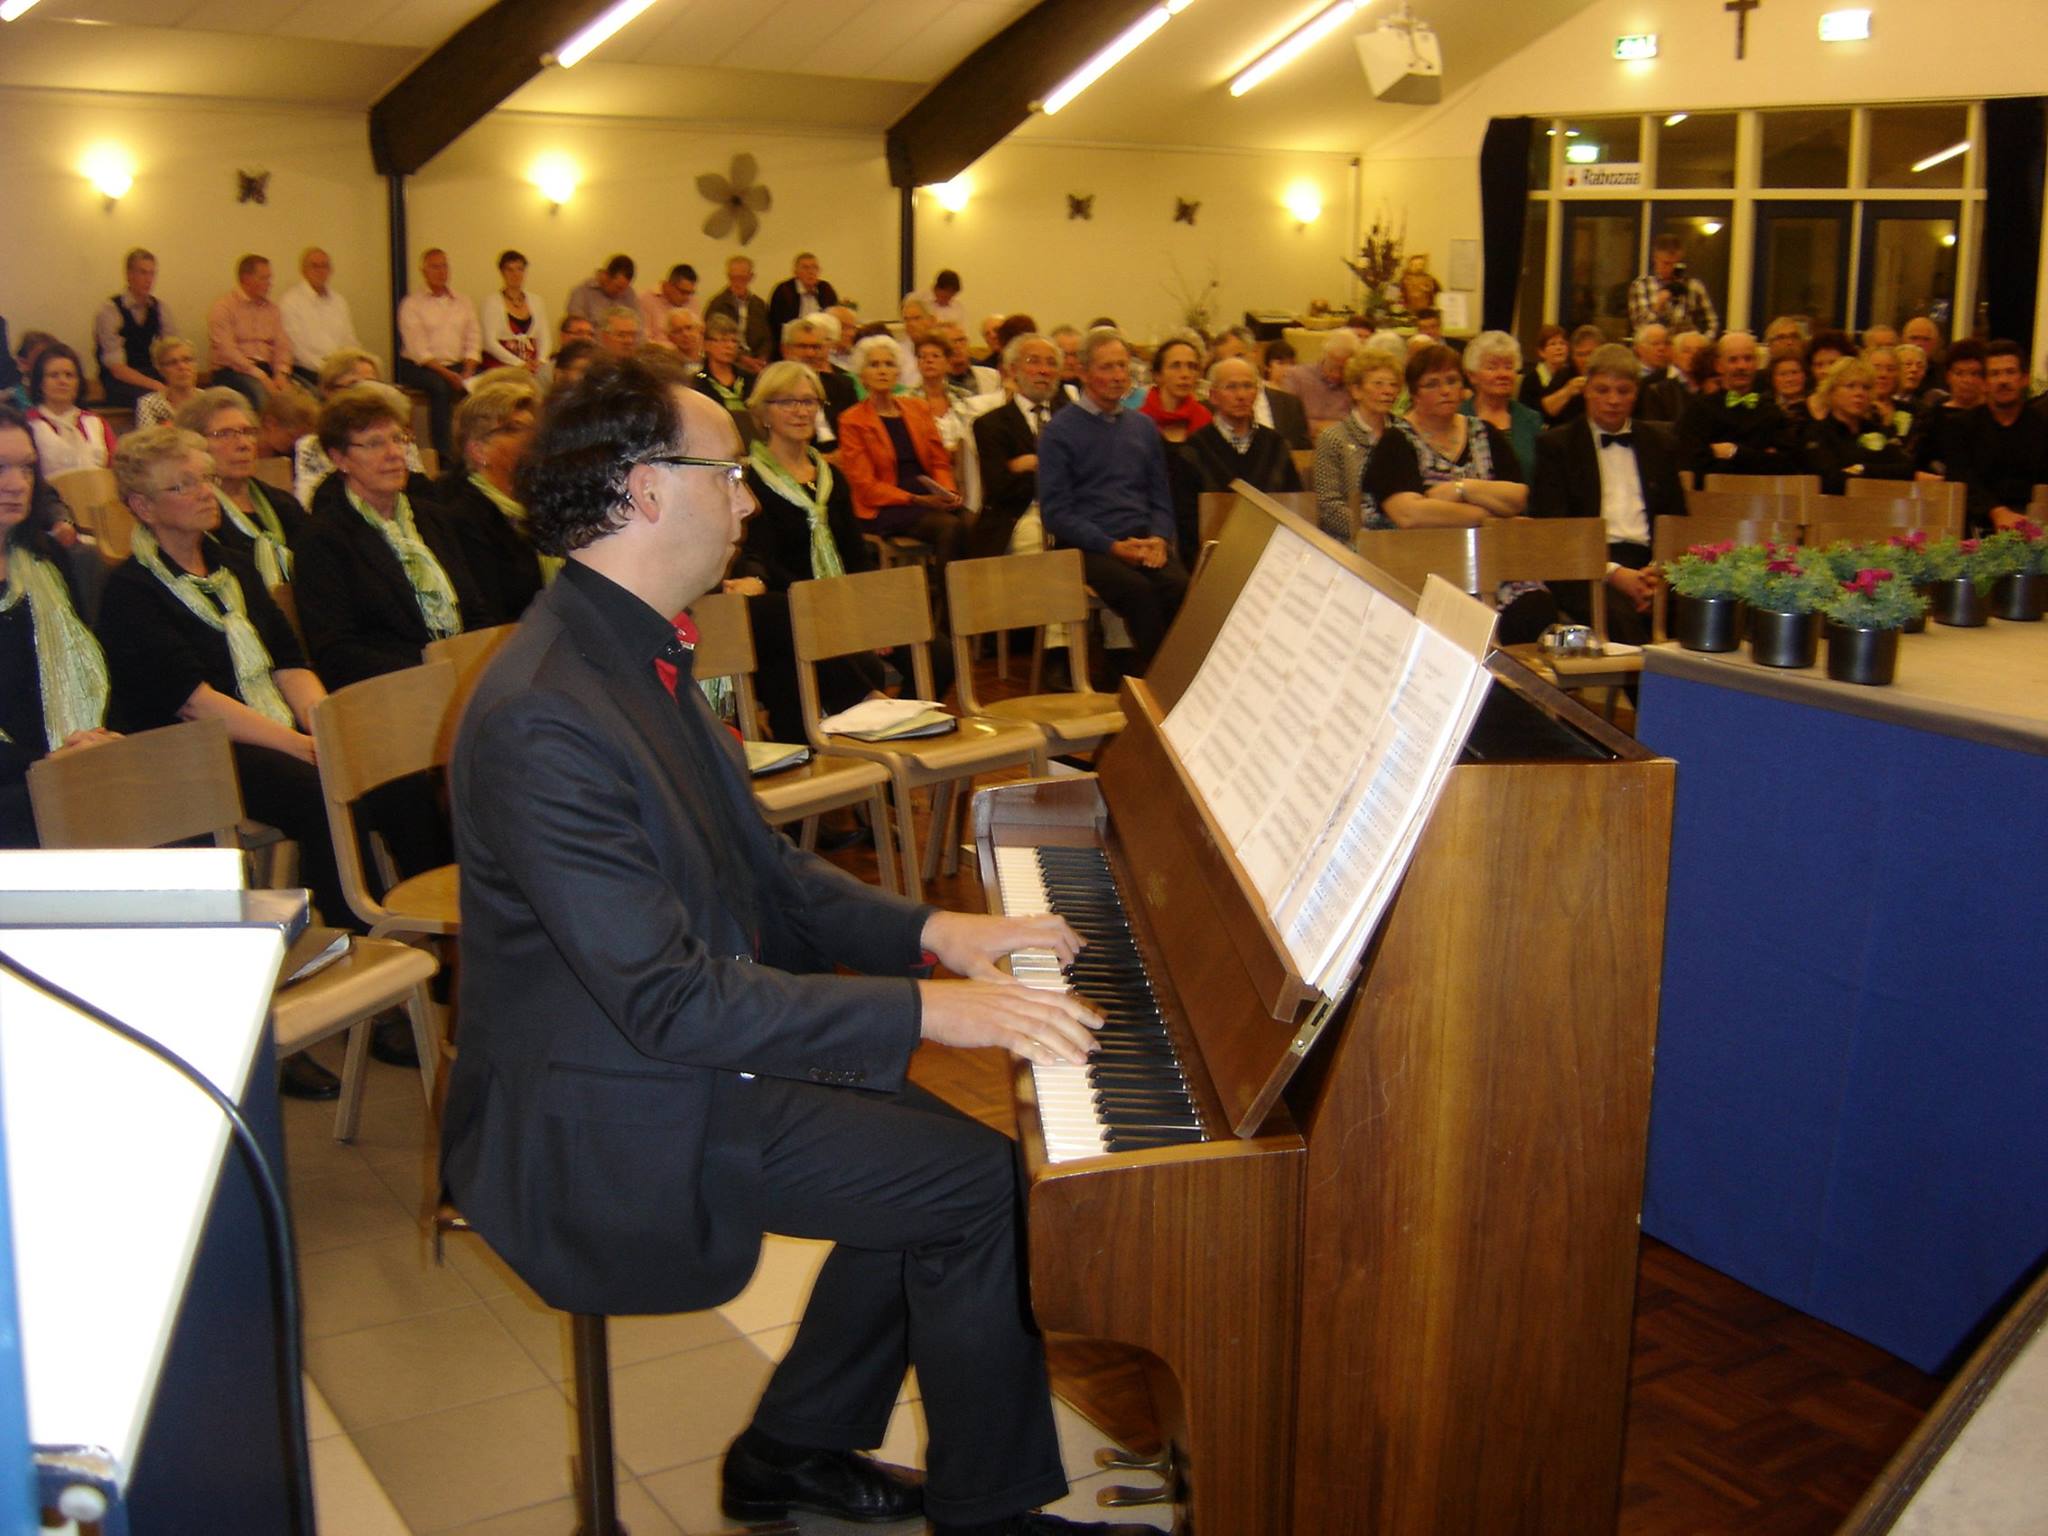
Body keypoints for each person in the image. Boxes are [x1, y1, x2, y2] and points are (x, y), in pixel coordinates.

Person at [438, 356, 1139, 1536]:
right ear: (645, 489)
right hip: (606, 1107)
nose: (747, 501)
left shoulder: (631, 647)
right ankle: (983, 1513)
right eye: (727, 475)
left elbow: (766, 872)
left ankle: (791, 1454)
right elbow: (668, 1003)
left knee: (945, 1165)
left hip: (676, 1053)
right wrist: (930, 1010)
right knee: (976, 1186)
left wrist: (940, 933)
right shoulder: (546, 711)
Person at [293, 385, 486, 689]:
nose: (394, 454)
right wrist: (434, 673)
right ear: (339, 458)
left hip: (460, 675)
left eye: (398, 439)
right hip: (390, 690)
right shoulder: (323, 538)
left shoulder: (434, 518)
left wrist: (473, 663)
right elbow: (337, 651)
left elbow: (475, 610)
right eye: (374, 443)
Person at [735, 359, 884, 742]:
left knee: (938, 654)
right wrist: (818, 604)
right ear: (763, 412)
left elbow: (855, 553)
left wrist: (871, 613)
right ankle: (864, 709)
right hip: (786, 606)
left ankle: (882, 745)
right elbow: (760, 558)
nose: (800, 411)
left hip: (838, 601)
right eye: (787, 402)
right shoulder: (750, 478)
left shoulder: (832, 476)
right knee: (816, 667)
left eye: (809, 401)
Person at [1037, 327, 1187, 673]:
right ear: (1084, 372)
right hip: (1087, 545)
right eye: (1107, 367)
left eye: (1123, 366)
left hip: (1141, 538)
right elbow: (1056, 513)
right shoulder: (1060, 431)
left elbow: (1160, 496)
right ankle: (1160, 682)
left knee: (1179, 585)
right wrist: (1111, 546)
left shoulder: (1143, 427)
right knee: (1138, 591)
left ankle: (1176, 677)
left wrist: (1159, 538)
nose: (1119, 376)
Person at [0, 404, 114, 849]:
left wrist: (97, 740)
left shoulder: (48, 560)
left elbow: (91, 668)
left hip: (63, 765)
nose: (17, 484)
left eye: (27, 468)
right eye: (0, 468)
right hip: (19, 777)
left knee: (173, 798)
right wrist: (50, 763)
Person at [1528, 343, 1685, 648]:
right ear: (1586, 390)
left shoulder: (1660, 443)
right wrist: (1614, 573)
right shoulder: (1557, 446)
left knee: (1700, 609)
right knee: (1619, 619)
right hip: (1585, 564)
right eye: (1602, 390)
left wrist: (1656, 572)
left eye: (1623, 391)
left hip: (1650, 563)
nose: (1613, 400)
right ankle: (1645, 682)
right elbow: (1553, 529)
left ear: (1636, 393)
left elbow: (1676, 518)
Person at [1361, 344, 1528, 533]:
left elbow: (1518, 496)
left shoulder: (1484, 432)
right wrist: (1490, 516)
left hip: (1486, 547)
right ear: (1414, 394)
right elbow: (1410, 515)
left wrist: (1462, 488)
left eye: (1452, 381)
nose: (1445, 390)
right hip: (1414, 549)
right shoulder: (1396, 440)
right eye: (1432, 384)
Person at [835, 335, 964, 569]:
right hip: (883, 505)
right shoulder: (852, 420)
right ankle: (948, 592)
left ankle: (968, 588)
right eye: (874, 365)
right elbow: (865, 486)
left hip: (926, 493)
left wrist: (948, 492)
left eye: (889, 364)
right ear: (862, 376)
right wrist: (916, 499)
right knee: (950, 527)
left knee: (975, 522)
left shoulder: (918, 408)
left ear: (898, 373)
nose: (883, 371)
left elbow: (940, 461)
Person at [175, 388, 307, 590]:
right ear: (194, 445)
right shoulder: (197, 516)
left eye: (248, 432)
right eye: (224, 434)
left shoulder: (284, 505)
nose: (243, 444)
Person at [969, 332, 1069, 560]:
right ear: (1013, 369)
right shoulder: (991, 424)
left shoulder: (1071, 419)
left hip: (1069, 510)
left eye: (1051, 363)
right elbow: (1000, 488)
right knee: (1034, 543)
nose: (1044, 370)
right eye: (1034, 361)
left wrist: (1030, 465)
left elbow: (1085, 474)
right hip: (1019, 514)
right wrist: (1055, 467)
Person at [291, 351, 427, 505]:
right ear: (328, 392)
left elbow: (422, 493)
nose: (366, 392)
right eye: (354, 385)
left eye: (372, 384)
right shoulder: (312, 446)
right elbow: (308, 503)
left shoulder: (401, 439)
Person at [1943, 340, 2048, 533]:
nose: (2003, 380)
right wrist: (1997, 512)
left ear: (2024, 379)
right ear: (1984, 384)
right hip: (1975, 527)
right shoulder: (1960, 426)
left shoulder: (2042, 426)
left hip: (2035, 527)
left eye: (2010, 372)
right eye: (1995, 374)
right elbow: (1960, 479)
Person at [396, 248, 482, 461]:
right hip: (421, 366)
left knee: (479, 387)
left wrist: (468, 370)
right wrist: (447, 374)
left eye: (444, 266)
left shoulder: (463, 301)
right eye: (435, 267)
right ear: (423, 271)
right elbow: (419, 350)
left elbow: (474, 337)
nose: (441, 271)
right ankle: (444, 458)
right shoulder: (412, 304)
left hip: (457, 364)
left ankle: (474, 451)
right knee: (440, 388)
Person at [1311, 346, 1401, 541]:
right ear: (1356, 390)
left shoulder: (1405, 433)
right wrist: (1370, 534)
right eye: (1378, 384)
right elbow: (1329, 505)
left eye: (1393, 385)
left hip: (1402, 534)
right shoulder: (1333, 438)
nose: (1388, 391)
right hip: (1352, 540)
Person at [1674, 331, 1786, 486]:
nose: (1742, 366)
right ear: (1719, 365)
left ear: (1757, 364)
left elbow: (1784, 466)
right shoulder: (1699, 410)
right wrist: (1758, 457)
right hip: (1711, 497)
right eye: (1733, 360)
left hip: (1763, 496)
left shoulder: (1772, 412)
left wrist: (1732, 451)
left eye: (1748, 359)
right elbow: (1694, 466)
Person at [1184, 356, 1302, 498]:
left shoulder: (1276, 444)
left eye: (1247, 386)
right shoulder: (1196, 447)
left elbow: (1294, 499)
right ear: (1213, 396)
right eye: (1231, 387)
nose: (1241, 395)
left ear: (1257, 393)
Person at [1798, 357, 1912, 497]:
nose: (1859, 393)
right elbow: (1830, 481)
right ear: (1832, 392)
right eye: (1850, 386)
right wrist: (1878, 468)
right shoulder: (1816, 433)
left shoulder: (1880, 431)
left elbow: (1906, 470)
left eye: (1866, 387)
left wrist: (1862, 468)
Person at [92, 248, 179, 410]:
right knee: (151, 400)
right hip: (119, 381)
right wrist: (157, 386)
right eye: (143, 273)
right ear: (129, 275)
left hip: (150, 374)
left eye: (152, 274)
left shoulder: (160, 308)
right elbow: (117, 368)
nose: (148, 279)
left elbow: (173, 350)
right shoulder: (110, 310)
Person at [207, 254, 293, 408]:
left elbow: (283, 344)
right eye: (264, 278)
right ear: (246, 279)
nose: (270, 284)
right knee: (261, 397)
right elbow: (227, 351)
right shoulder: (224, 307)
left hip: (267, 369)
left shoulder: (272, 309)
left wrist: (281, 373)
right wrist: (260, 375)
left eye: (269, 278)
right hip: (233, 371)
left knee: (298, 398)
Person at [1458, 331, 1542, 476]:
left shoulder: (1531, 420)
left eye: (1508, 367)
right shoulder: (1458, 416)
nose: (1503, 374)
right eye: (1492, 367)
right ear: (1472, 376)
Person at [26, 344, 117, 477]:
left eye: (69, 375)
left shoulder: (96, 422)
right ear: (40, 383)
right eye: (54, 375)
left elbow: (115, 467)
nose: (63, 381)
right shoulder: (28, 424)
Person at [278, 247, 362, 386]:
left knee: (376, 390)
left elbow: (350, 340)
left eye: (325, 266)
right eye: (315, 266)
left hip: (342, 370)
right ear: (303, 271)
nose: (320, 271)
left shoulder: (339, 301)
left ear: (330, 270)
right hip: (309, 370)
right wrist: (331, 371)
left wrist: (354, 365)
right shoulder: (290, 302)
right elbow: (297, 350)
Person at [1914, 337, 1988, 480]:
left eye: (1974, 373)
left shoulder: (1993, 416)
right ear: (1948, 377)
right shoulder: (1934, 417)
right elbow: (1916, 465)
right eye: (1959, 373)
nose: (1967, 380)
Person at [1627, 233, 1719, 337]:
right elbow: (1639, 329)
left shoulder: (1693, 286)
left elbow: (1712, 323)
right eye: (1666, 263)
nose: (1670, 269)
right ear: (1655, 259)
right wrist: (1658, 306)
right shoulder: (1641, 286)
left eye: (1675, 264)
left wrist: (1703, 341)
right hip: (1655, 344)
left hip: (1685, 344)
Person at [777, 318, 855, 438]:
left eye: (816, 347)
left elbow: (854, 432)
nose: (810, 353)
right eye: (802, 346)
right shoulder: (772, 386)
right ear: (785, 350)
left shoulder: (842, 386)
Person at [480, 249, 552, 376]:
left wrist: (540, 361)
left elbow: (544, 336)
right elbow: (489, 342)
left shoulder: (537, 301)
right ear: (502, 272)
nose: (515, 274)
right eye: (510, 270)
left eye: (520, 269)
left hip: (533, 363)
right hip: (502, 364)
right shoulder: (491, 302)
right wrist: (519, 364)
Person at [1138, 334, 1211, 443]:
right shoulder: (1139, 422)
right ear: (1157, 375)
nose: (1185, 374)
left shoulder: (1205, 420)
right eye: (1175, 366)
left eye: (1192, 367)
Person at [692, 314, 755, 438]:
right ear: (706, 344)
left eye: (734, 341)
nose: (729, 346)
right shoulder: (697, 383)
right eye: (723, 340)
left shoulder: (750, 378)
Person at [766, 252, 839, 359]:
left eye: (814, 268)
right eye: (805, 268)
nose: (811, 272)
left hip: (820, 343)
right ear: (795, 272)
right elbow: (778, 327)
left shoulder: (826, 289)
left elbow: (832, 321)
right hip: (794, 344)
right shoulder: (783, 291)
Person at [705, 255, 772, 366]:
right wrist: (742, 358)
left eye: (742, 278)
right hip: (729, 360)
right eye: (733, 278)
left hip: (758, 360)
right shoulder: (718, 304)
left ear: (751, 277)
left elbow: (767, 338)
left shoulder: (759, 305)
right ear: (728, 276)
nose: (738, 282)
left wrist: (762, 359)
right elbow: (712, 339)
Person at [1283, 331, 1359, 422]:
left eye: (1343, 369)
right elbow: (1288, 419)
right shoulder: (1296, 376)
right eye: (1333, 367)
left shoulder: (1355, 385)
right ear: (1324, 355)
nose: (1337, 374)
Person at [565, 255, 641, 343]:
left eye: (625, 288)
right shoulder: (582, 293)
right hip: (592, 348)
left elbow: (640, 328)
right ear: (605, 276)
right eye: (618, 287)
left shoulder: (629, 294)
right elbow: (578, 332)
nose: (621, 293)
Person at [134, 335, 202, 429]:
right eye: (173, 363)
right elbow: (147, 437)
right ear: (161, 370)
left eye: (187, 360)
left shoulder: (209, 402)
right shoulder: (148, 404)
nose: (182, 367)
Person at [1520, 324, 1582, 423]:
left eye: (1562, 343)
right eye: (1553, 344)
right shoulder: (1530, 380)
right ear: (1541, 352)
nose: (1559, 348)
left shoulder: (1573, 375)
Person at [1631, 325, 1687, 424]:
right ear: (1639, 349)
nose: (1662, 348)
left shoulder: (1679, 378)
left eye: (1666, 343)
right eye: (1655, 344)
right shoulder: (1630, 375)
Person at [639, 263, 699, 341]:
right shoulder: (646, 299)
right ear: (668, 286)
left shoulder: (692, 300)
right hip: (659, 348)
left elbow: (698, 333)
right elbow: (644, 339)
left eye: (690, 293)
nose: (687, 298)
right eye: (683, 292)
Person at [665, 309, 707, 378]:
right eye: (678, 331)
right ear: (670, 337)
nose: (685, 334)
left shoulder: (711, 357)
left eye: (689, 328)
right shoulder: (669, 364)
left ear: (700, 329)